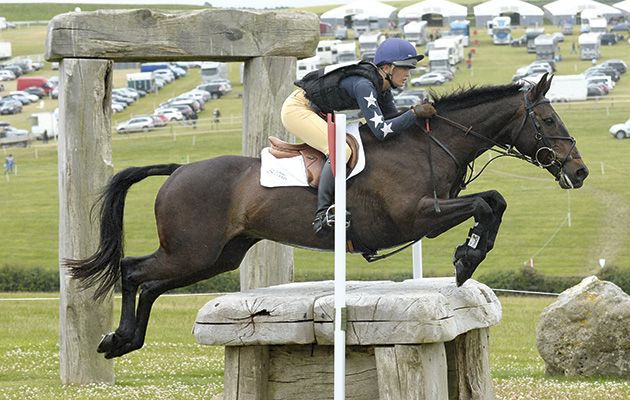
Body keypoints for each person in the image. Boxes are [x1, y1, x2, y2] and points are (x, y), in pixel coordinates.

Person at [281, 37, 437, 238]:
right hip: (297, 110)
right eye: (405, 68)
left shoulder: (382, 88)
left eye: (411, 68)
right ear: (387, 68)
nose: (409, 73)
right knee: (341, 150)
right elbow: (381, 130)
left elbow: (392, 119)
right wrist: (413, 113)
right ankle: (323, 213)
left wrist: (417, 116)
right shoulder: (365, 85)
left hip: (319, 111)